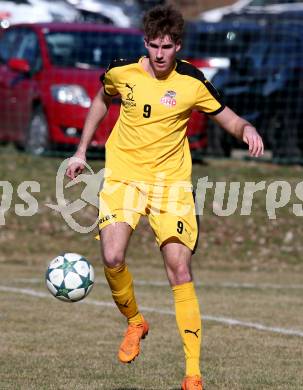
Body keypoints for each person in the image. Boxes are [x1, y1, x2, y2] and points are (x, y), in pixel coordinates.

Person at [66, 5, 264, 390]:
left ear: (178, 46)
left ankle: (193, 374)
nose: (159, 54)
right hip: (123, 178)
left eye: (167, 46)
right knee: (112, 256)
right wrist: (80, 152)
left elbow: (229, 118)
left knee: (179, 270)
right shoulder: (122, 72)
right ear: (145, 43)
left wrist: (248, 130)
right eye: (153, 46)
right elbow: (101, 101)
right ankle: (136, 322)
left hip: (170, 186)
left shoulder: (191, 81)